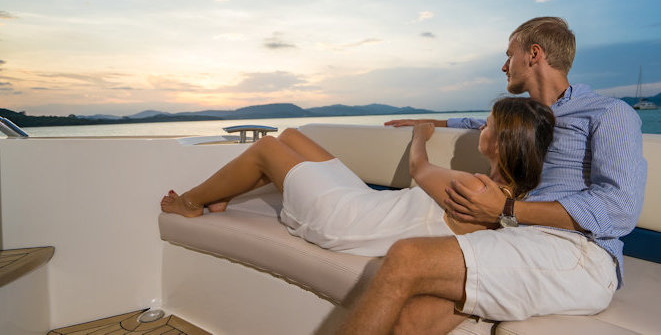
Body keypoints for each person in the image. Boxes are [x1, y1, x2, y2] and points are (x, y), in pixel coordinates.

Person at [337, 17, 647, 334]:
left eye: (509, 55)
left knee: (407, 257)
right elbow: (477, 124)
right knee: (412, 320)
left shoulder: (608, 113)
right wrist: (426, 123)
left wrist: (506, 210)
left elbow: (619, 209)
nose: (504, 66)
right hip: (517, 238)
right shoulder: (526, 117)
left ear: (534, 54)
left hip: (578, 252)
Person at [160, 97, 555, 257]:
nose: (479, 131)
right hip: (369, 202)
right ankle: (227, 191)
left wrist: (421, 134)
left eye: (485, 127)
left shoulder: (473, 189)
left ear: (500, 144)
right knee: (295, 135)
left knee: (267, 147)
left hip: (347, 221)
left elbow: (418, 169)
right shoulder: (511, 194)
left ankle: (191, 203)